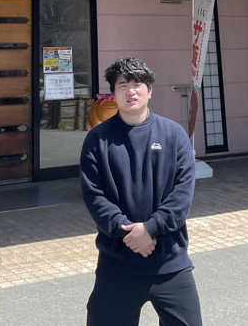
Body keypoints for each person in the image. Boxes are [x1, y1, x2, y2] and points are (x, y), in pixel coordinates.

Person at [80, 56, 202, 326]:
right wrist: (128, 231)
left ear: (150, 91)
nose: (131, 91)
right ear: (113, 93)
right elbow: (94, 195)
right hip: (117, 263)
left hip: (169, 261)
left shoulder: (174, 135)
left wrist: (150, 229)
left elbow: (182, 195)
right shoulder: (97, 140)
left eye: (138, 84)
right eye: (123, 85)